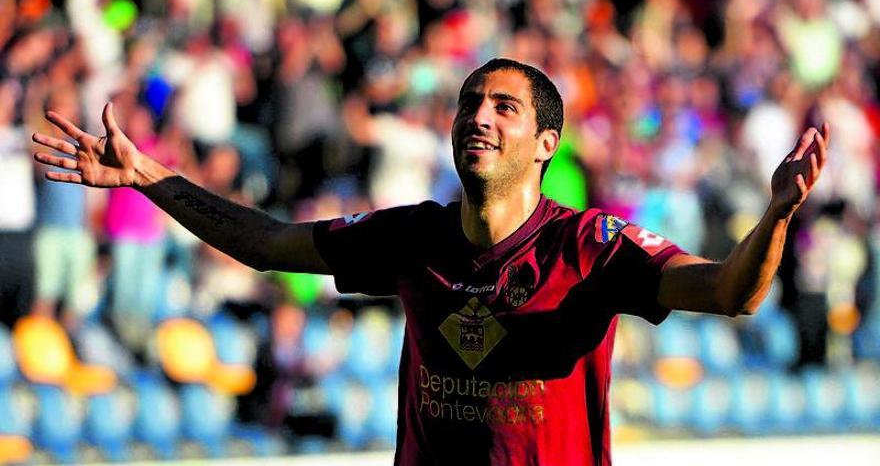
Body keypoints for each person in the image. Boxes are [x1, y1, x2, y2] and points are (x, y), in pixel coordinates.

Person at [33, 58, 830, 466]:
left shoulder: (591, 246)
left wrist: (777, 213)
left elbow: (731, 291)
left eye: (503, 107)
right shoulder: (411, 235)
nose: (477, 118)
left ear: (546, 144)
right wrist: (149, 175)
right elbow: (269, 242)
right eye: (468, 104)